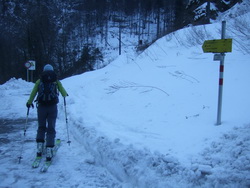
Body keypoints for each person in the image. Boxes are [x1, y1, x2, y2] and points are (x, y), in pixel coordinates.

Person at [26, 64, 68, 161]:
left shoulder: (39, 81)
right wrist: (65, 95)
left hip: (41, 107)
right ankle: (49, 150)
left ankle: (39, 148)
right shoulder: (55, 81)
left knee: (41, 127)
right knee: (51, 127)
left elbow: (33, 93)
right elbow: (64, 93)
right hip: (52, 107)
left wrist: (29, 102)